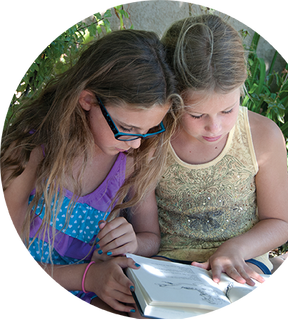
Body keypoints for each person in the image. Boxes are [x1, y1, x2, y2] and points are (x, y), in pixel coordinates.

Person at [0, 29, 179, 313]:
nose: (135, 143)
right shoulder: (32, 149)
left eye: (148, 130)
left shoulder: (132, 160)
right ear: (87, 100)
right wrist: (86, 277)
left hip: (89, 289)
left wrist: (132, 242)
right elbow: (7, 262)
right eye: (127, 128)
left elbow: (150, 237)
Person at [133, 14, 288, 288]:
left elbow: (279, 221)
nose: (214, 127)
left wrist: (236, 249)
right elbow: (147, 234)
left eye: (228, 110)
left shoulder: (262, 137)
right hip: (168, 262)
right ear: (171, 97)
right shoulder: (152, 141)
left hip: (243, 261)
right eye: (196, 115)